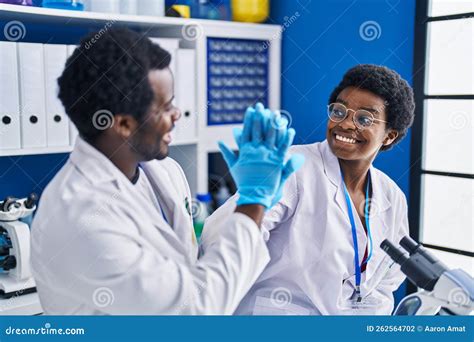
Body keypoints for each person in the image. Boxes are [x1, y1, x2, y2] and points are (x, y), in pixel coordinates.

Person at [30, 27, 304, 315]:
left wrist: (252, 208)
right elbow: (194, 309)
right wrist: (253, 202)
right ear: (123, 124)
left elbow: (193, 269)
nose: (177, 114)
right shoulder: (80, 218)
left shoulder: (164, 172)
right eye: (165, 106)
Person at [202, 64, 415, 315]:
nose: (346, 124)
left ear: (389, 135)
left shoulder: (391, 196)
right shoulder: (292, 167)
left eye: (364, 119)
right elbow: (223, 242)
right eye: (339, 111)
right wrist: (253, 196)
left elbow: (388, 278)